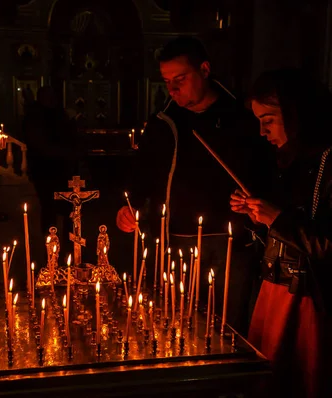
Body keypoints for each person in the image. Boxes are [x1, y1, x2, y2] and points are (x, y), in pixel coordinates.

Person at [230, 68, 332, 397]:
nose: (261, 131)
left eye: (268, 119)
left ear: (297, 113)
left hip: (314, 301)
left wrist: (278, 220)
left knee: (313, 378)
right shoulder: (294, 157)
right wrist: (259, 213)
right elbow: (298, 219)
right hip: (280, 291)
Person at [116, 36, 274, 335]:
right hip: (175, 239)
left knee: (227, 329)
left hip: (231, 242)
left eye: (180, 79)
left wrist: (255, 202)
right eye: (166, 81)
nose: (173, 89)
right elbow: (143, 172)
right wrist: (130, 205)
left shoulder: (243, 117)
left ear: (204, 69)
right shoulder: (163, 121)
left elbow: (266, 171)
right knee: (180, 326)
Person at [23, 85, 81, 236]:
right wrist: (65, 152)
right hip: (45, 170)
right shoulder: (35, 116)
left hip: (63, 170)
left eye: (53, 96)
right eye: (48, 96)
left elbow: (69, 136)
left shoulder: (59, 114)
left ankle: (71, 243)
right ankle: (51, 246)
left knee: (69, 208)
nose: (52, 100)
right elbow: (39, 144)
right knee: (49, 209)